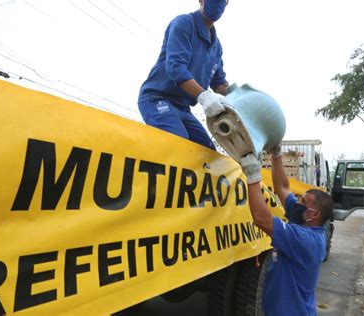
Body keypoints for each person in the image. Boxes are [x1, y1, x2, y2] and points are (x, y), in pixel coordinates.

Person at [239, 144, 334, 316]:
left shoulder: (305, 239)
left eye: (303, 201)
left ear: (314, 214)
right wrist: (276, 155)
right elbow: (283, 187)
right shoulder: (303, 220)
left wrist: (252, 177)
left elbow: (262, 220)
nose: (296, 202)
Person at [137, 0, 230, 151]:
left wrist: (241, 97)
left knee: (208, 155)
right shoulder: (184, 23)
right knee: (179, 145)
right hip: (157, 99)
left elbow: (219, 83)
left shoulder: (216, 47)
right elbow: (175, 68)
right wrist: (204, 96)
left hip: (183, 108)